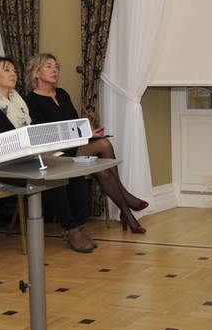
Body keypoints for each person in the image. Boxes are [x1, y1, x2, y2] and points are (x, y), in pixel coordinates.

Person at [0, 55, 95, 254]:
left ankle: (80, 225)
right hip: (4, 164)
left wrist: (46, 149)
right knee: (50, 173)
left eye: (14, 70)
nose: (13, 74)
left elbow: (36, 130)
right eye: (6, 70)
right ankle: (71, 229)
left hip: (29, 156)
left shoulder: (18, 101)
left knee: (71, 167)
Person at [24, 53, 148, 234]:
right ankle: (126, 202)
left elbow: (74, 123)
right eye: (49, 66)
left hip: (74, 145)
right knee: (103, 150)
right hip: (57, 152)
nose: (54, 70)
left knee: (103, 150)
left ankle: (126, 212)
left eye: (56, 67)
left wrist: (88, 132)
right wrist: (78, 136)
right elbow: (42, 134)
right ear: (36, 72)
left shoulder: (62, 94)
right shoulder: (30, 101)